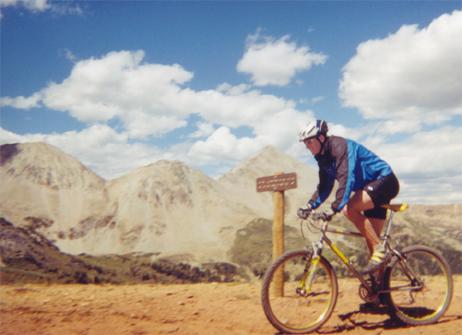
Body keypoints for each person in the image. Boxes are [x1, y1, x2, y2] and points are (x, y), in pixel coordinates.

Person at [297, 120, 400, 274]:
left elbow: (346, 178)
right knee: (372, 243)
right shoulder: (323, 157)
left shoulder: (341, 147)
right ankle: (380, 294)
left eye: (309, 142)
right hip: (370, 190)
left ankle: (380, 249)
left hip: (385, 181)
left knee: (349, 209)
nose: (307, 147)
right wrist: (310, 205)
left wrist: (335, 207)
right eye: (305, 143)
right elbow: (325, 185)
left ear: (321, 138)